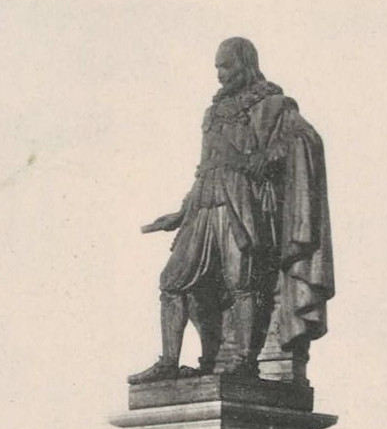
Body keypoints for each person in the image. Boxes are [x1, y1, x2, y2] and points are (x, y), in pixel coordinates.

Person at [134, 37, 334, 383]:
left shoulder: (272, 104)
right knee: (172, 281)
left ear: (244, 63)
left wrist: (260, 160)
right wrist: (181, 214)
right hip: (204, 207)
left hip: (241, 206)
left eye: (225, 66)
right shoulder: (212, 113)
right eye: (216, 67)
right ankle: (169, 361)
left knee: (242, 282)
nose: (219, 75)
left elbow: (305, 140)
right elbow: (204, 169)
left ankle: (243, 361)